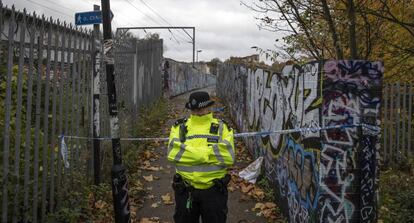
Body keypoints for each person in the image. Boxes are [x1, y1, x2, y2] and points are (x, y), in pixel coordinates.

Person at [167, 91, 235, 223]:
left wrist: (191, 153)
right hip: (186, 190)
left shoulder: (222, 127)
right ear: (190, 109)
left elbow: (228, 156)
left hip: (214, 191)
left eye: (201, 108)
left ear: (209, 107)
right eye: (195, 109)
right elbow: (173, 154)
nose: (198, 112)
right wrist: (210, 153)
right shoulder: (179, 127)